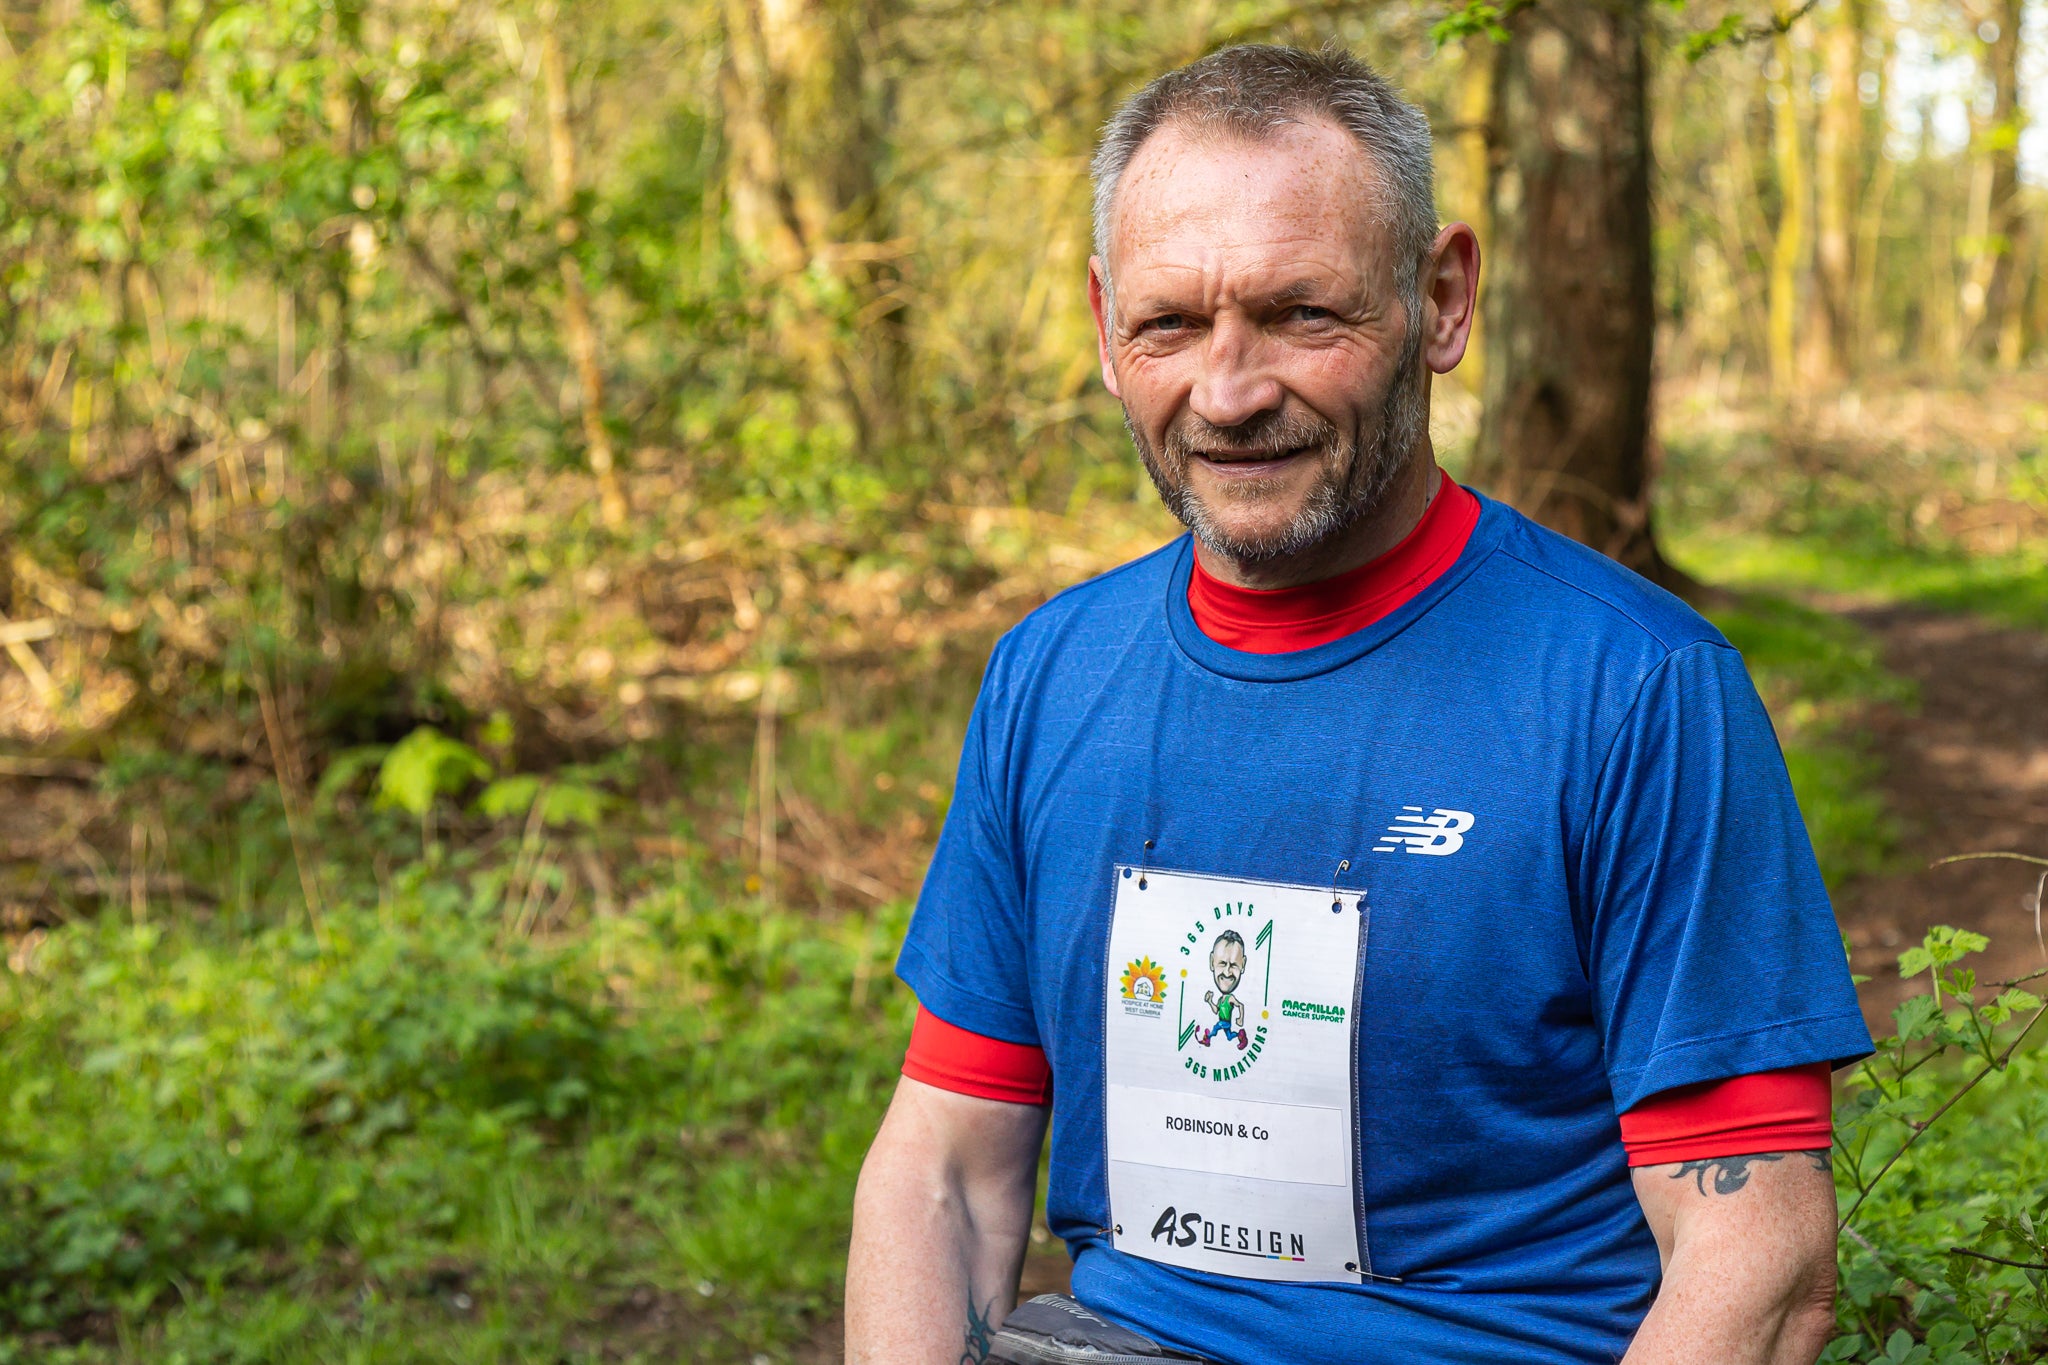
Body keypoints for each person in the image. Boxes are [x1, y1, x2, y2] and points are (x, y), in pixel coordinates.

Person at [845, 43, 1870, 1365]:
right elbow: (941, 1166)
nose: (1228, 392)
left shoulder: (1635, 690)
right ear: (1105, 328)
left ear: (1442, 301)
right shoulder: (1051, 674)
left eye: (1300, 316)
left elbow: (1762, 1258)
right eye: (1169, 324)